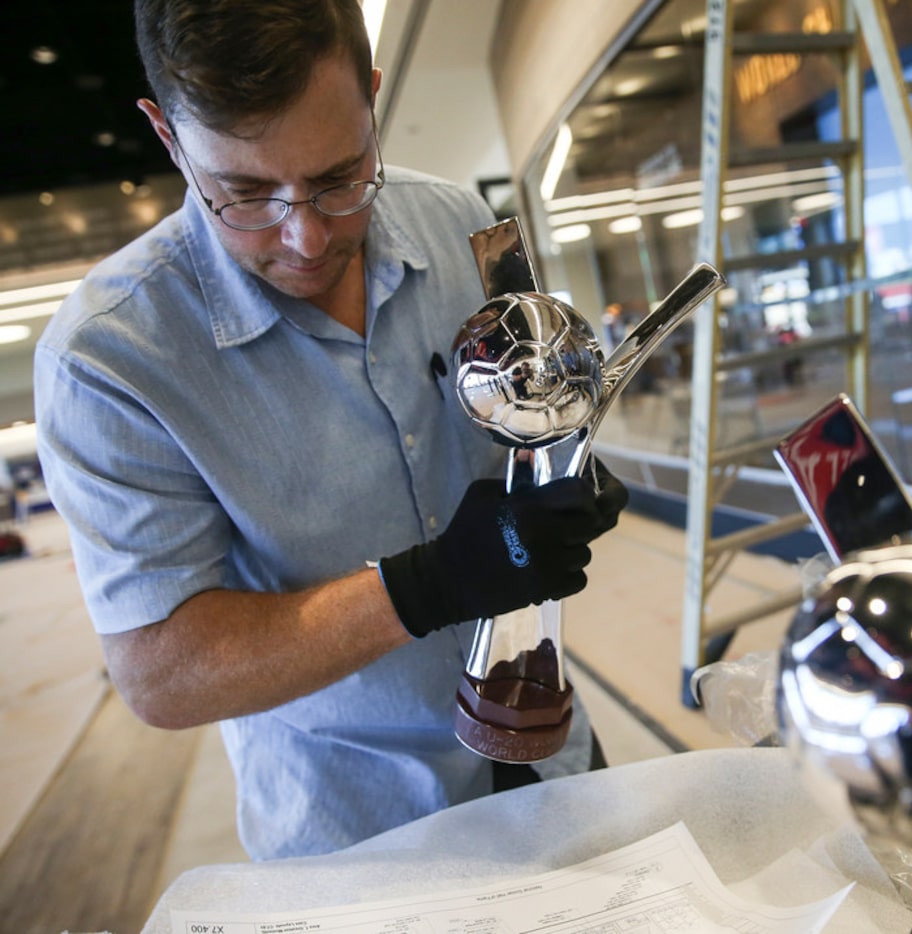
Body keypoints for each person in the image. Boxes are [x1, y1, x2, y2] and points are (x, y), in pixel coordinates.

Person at [33, 0, 628, 860]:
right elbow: (161, 676)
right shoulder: (108, 361)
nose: (306, 235)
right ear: (167, 136)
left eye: (341, 177)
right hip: (361, 832)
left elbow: (524, 405)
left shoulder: (456, 222)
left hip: (554, 761)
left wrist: (560, 465)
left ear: (373, 99)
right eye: (243, 192)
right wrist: (425, 587)